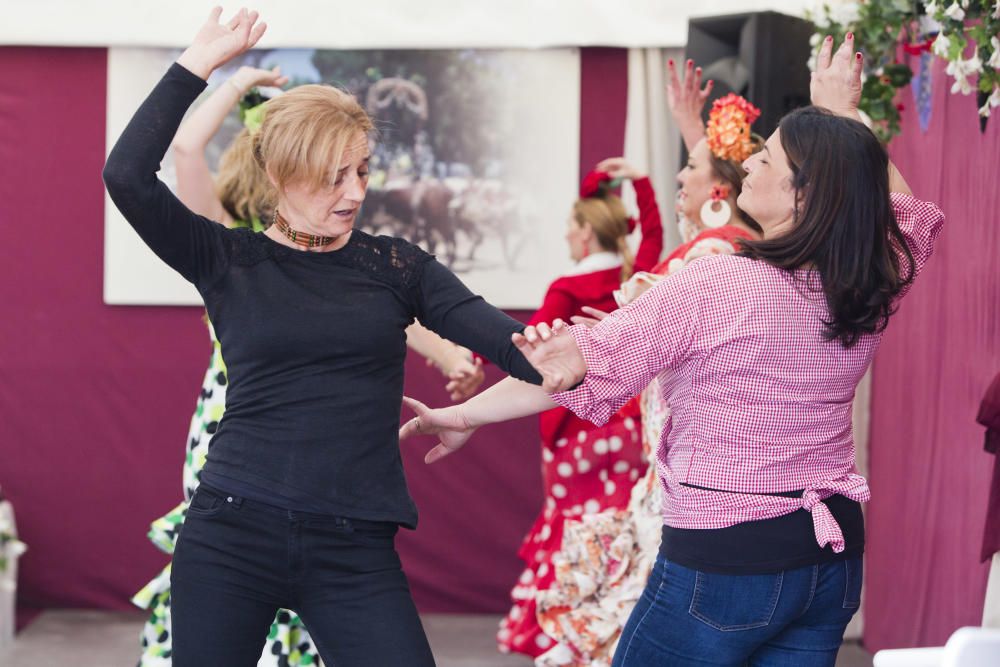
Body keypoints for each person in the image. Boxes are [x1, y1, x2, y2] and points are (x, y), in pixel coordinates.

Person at [400, 34, 945, 666]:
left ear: (804, 194)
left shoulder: (717, 282)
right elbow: (909, 215)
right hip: (832, 557)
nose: (747, 166)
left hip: (728, 558)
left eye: (765, 160)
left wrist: (463, 415)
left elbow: (571, 361)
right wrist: (844, 115)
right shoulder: (866, 281)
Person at [103, 9, 540, 666]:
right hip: (230, 532)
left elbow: (506, 339)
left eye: (361, 171)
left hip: (352, 548)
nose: (354, 192)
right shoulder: (229, 259)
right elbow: (127, 176)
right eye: (333, 175)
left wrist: (553, 352)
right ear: (279, 174)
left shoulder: (396, 266)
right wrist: (197, 63)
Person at [531, 61, 765, 667]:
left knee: (653, 611)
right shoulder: (716, 245)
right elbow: (709, 199)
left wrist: (609, 337)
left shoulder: (716, 250)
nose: (679, 175)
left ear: (719, 189)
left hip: (692, 461)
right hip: (668, 453)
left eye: (689, 167)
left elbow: (665, 313)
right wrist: (690, 126)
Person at [498, 160, 663, 658]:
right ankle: (614, 636)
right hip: (628, 427)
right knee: (621, 529)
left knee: (568, 526)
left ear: (587, 233)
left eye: (571, 226)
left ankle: (562, 637)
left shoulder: (565, 290)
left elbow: (528, 357)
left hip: (577, 428)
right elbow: (654, 232)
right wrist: (641, 184)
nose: (567, 235)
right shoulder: (635, 273)